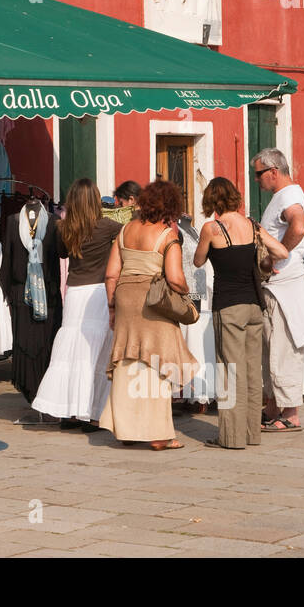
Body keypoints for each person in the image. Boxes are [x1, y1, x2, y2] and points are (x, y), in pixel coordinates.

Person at [100, 180, 200, 450]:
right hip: (153, 300)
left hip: (124, 298)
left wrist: (112, 307)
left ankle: (126, 430)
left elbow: (111, 274)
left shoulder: (124, 231)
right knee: (158, 363)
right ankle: (159, 435)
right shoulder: (167, 235)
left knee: (127, 362)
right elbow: (176, 279)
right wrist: (189, 295)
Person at [193, 177, 288, 449]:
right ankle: (251, 433)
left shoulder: (212, 228)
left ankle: (231, 437)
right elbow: (280, 250)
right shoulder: (252, 225)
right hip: (254, 306)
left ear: (212, 200)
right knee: (251, 371)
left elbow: (198, 261)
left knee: (229, 371)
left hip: (229, 306)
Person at [32, 179, 120, 428]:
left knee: (70, 353)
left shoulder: (63, 227)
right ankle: (92, 413)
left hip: (74, 293)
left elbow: (61, 254)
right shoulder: (108, 226)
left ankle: (68, 411)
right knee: (95, 353)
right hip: (98, 293)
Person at [252, 149, 304, 433]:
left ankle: (291, 413)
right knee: (271, 350)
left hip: (285, 286)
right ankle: (272, 408)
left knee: (283, 350)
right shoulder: (284, 196)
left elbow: (299, 224)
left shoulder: (291, 197)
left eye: (258, 174)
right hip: (276, 287)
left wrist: (275, 258)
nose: (256, 180)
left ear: (273, 171)